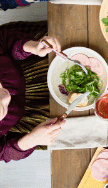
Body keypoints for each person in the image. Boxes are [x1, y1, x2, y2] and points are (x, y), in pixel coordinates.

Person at [0, 24, 65, 162]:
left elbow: (4, 40)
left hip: (29, 58)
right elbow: (4, 152)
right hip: (30, 112)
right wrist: (31, 139)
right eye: (3, 109)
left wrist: (32, 47)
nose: (8, 98)